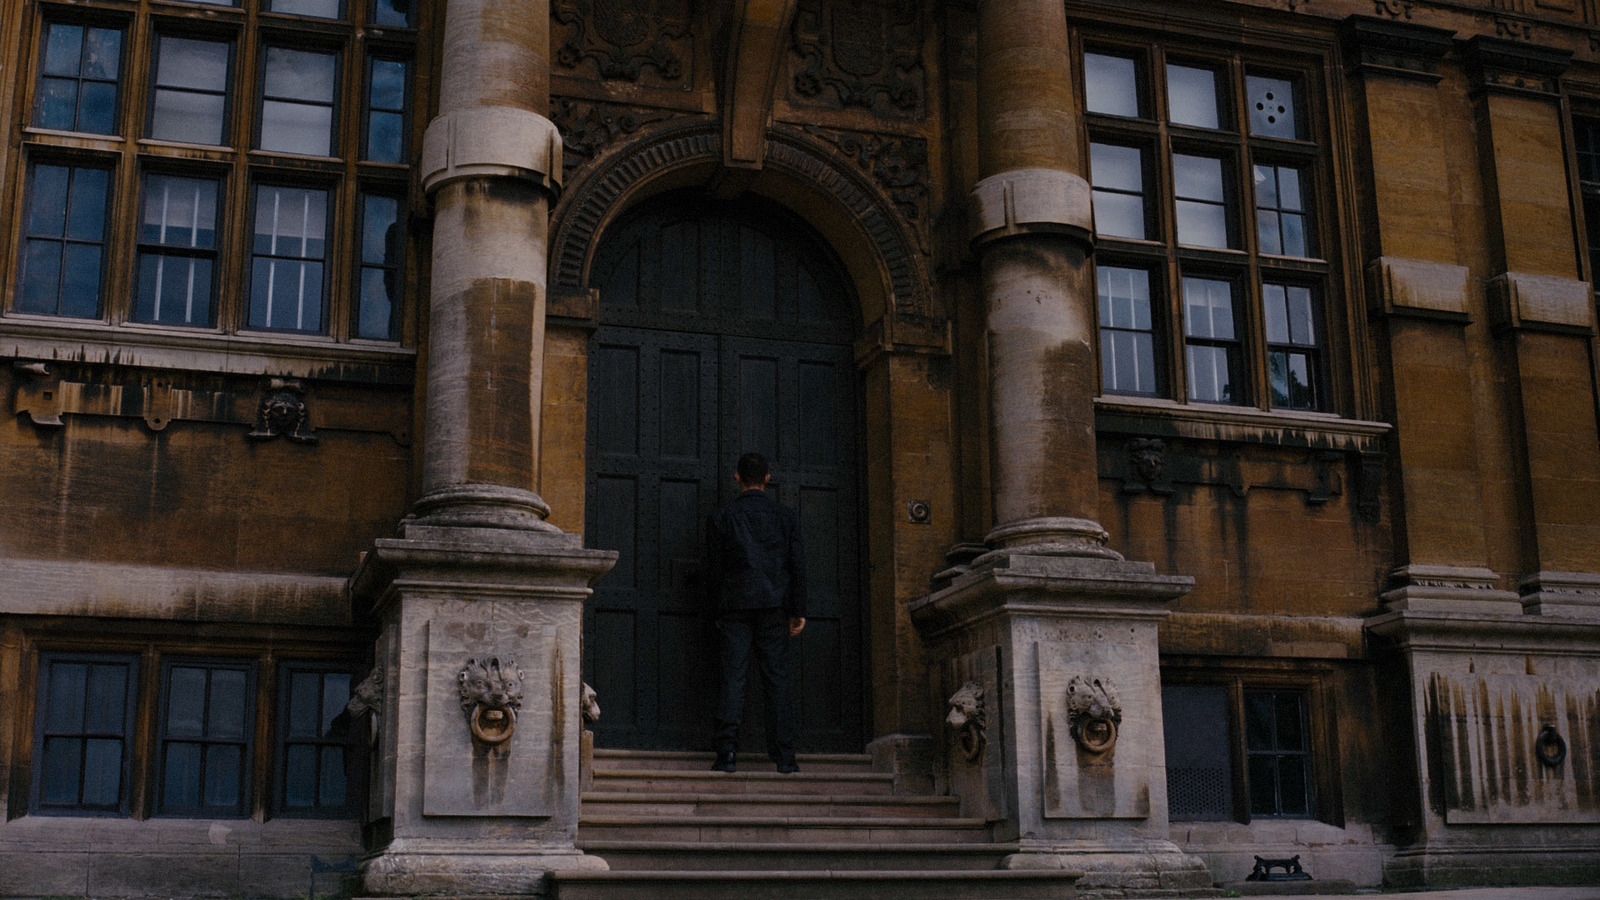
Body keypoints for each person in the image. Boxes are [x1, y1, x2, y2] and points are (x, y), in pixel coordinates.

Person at [703, 452, 807, 774]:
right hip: (774, 607)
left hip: (734, 607)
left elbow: (713, 571)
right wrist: (798, 610)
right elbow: (797, 568)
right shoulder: (785, 517)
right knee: (776, 681)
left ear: (737, 477)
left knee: (733, 679)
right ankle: (785, 757)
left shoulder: (722, 518)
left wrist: (715, 609)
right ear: (767, 478)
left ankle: (727, 754)